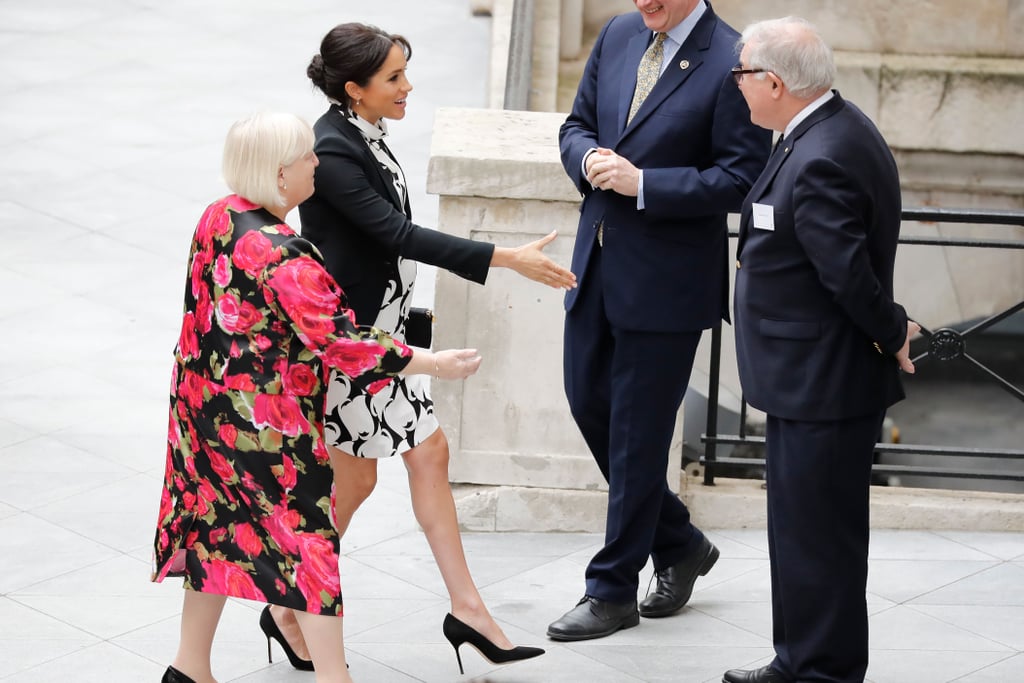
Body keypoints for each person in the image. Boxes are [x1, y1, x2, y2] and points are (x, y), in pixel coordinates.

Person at [264, 22, 568, 674]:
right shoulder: (334, 151)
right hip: (353, 344)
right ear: (355, 88)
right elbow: (396, 233)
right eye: (394, 78)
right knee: (361, 476)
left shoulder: (359, 134)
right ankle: (288, 603)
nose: (408, 87)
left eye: (405, 71)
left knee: (426, 453)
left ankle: (468, 610)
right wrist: (504, 256)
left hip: (388, 335)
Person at [151, 111, 483, 683]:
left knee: (216, 532)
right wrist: (433, 363)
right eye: (308, 157)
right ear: (282, 177)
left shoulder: (219, 215)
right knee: (309, 549)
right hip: (266, 426)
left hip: (202, 410)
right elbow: (341, 340)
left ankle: (189, 668)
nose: (317, 163)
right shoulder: (284, 253)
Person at [547, 0, 771, 642]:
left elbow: (741, 177)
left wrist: (645, 183)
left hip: (667, 286)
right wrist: (585, 158)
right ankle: (680, 543)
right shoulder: (619, 31)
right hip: (594, 265)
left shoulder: (735, 59)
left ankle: (611, 591)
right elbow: (575, 125)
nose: (644, 1)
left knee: (637, 437)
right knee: (589, 405)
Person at [726, 17, 920, 683]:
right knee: (801, 535)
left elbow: (848, 275)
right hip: (804, 379)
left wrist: (892, 331)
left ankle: (825, 671)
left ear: (775, 83)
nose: (738, 86)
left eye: (742, 74)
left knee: (820, 541)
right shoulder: (820, 127)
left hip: (823, 383)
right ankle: (797, 658)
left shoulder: (823, 152)